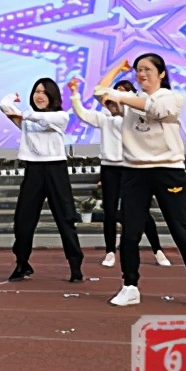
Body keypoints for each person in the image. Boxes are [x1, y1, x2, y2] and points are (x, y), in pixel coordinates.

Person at [95, 53, 186, 310]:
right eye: (138, 70)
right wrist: (117, 70)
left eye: (147, 69)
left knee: (180, 231)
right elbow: (100, 93)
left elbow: (154, 109)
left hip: (167, 170)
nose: (142, 74)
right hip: (134, 172)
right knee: (130, 232)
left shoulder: (172, 97)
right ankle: (130, 286)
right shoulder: (127, 101)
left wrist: (119, 95)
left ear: (161, 73)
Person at [69, 70, 171, 269]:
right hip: (110, 168)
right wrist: (75, 93)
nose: (119, 95)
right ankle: (109, 252)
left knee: (141, 211)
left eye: (124, 92)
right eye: (117, 92)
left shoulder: (133, 116)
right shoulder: (104, 118)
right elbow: (82, 112)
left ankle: (158, 250)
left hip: (130, 167)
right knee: (109, 210)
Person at [0, 79, 84, 283]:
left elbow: (43, 120)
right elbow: (4, 105)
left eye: (44, 92)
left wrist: (22, 113)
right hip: (33, 171)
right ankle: (22, 263)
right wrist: (13, 99)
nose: (39, 95)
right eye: (36, 91)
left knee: (65, 219)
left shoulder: (60, 117)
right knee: (23, 221)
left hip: (56, 170)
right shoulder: (27, 121)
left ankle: (75, 265)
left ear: (53, 96)